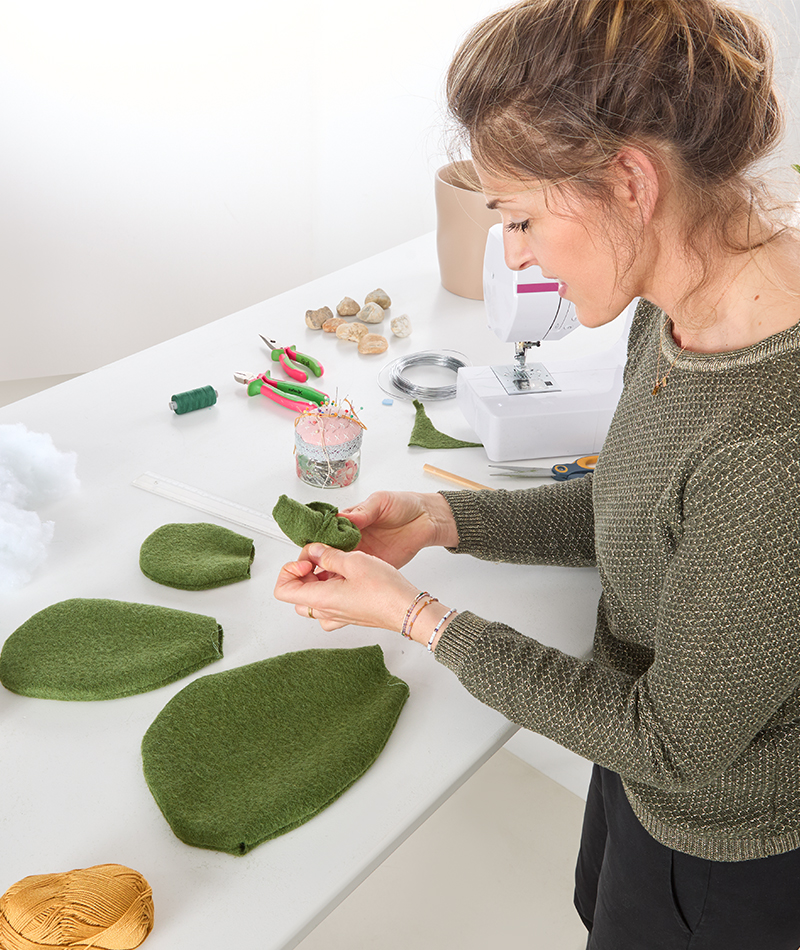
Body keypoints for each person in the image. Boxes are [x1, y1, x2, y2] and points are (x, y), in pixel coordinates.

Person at [273, 0, 800, 946]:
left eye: (518, 220)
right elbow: (639, 506)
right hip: (636, 772)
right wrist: (443, 519)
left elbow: (673, 746)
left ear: (626, 180)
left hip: (727, 846)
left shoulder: (775, 440)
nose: (514, 255)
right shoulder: (679, 305)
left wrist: (415, 617)